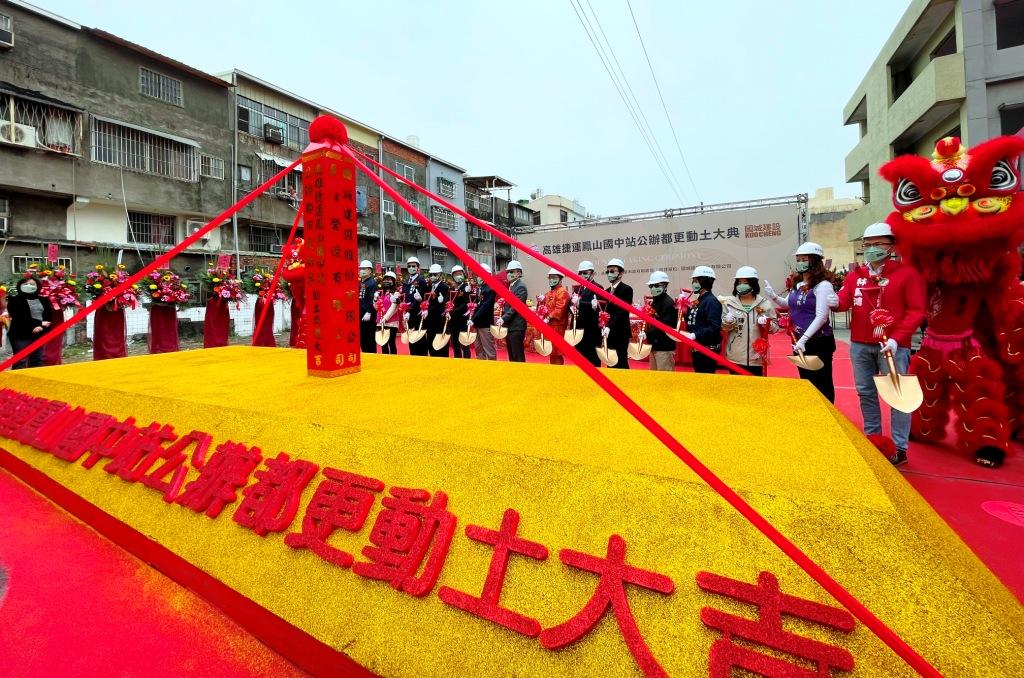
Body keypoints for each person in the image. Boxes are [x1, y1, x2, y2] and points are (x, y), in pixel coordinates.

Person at [835, 223, 926, 466]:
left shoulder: (907, 274)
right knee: (865, 392)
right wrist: (828, 298)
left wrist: (897, 338)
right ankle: (873, 439)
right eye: (868, 244)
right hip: (860, 345)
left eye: (879, 244)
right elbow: (843, 302)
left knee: (897, 396)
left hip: (893, 346)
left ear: (891, 246)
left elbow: (916, 310)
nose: (872, 249)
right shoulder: (856, 276)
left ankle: (899, 447)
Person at [765, 243, 838, 402]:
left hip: (818, 341)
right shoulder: (797, 284)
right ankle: (813, 413)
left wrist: (804, 339)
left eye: (804, 259)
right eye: (798, 259)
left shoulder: (823, 285)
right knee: (807, 381)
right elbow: (790, 304)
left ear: (815, 261)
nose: (800, 262)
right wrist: (774, 297)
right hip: (797, 339)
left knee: (822, 382)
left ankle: (827, 416)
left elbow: (821, 316)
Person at [721, 266, 778, 376]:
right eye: (739, 282)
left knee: (755, 390)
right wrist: (727, 322)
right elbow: (723, 327)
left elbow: (775, 328)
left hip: (757, 357)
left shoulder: (764, 304)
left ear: (753, 283)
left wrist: (768, 323)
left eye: (745, 282)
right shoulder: (729, 303)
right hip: (735, 356)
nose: (741, 285)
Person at [5, 277, 56, 369]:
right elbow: (18, 317)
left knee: (38, 360)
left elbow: (48, 317)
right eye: (25, 284)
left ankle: (35, 382)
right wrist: (38, 324)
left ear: (37, 286)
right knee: (20, 361)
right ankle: (17, 382)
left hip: (39, 334)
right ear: (20, 286)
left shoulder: (44, 300)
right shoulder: (14, 300)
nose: (29, 286)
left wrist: (41, 327)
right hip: (21, 334)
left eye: (32, 284)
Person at [681, 266, 724, 374]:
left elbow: (714, 327)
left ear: (705, 282)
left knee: (706, 380)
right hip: (697, 348)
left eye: (696, 281)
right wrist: (685, 310)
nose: (693, 284)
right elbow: (695, 320)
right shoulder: (699, 300)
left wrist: (695, 334)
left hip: (708, 349)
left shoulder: (711, 301)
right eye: (693, 281)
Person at [644, 271, 678, 371]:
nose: (653, 288)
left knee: (665, 380)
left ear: (665, 286)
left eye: (656, 285)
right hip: (654, 345)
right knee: (655, 378)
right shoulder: (655, 301)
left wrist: (647, 333)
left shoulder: (668, 303)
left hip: (664, 348)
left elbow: (664, 325)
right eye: (651, 286)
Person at [570, 260, 601, 367]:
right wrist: (572, 307)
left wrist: (580, 303)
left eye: (585, 273)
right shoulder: (579, 289)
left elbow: (597, 307)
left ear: (592, 273)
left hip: (591, 329)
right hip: (580, 328)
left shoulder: (598, 287)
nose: (583, 275)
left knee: (592, 358)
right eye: (581, 273)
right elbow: (574, 305)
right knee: (581, 356)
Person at [604, 258, 633, 369]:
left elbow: (622, 311)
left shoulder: (626, 289)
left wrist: (610, 327)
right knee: (610, 361)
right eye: (608, 272)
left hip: (621, 332)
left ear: (621, 273)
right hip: (609, 333)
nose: (609, 274)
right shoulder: (606, 291)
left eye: (612, 271)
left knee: (621, 361)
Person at [496, 260, 528, 362]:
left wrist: (503, 318)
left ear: (519, 273)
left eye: (512, 271)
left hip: (517, 326)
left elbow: (515, 307)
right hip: (510, 326)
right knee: (511, 355)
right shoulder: (511, 286)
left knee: (517, 354)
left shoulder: (521, 287)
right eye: (508, 272)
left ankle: (521, 375)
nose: (509, 274)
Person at [541, 267, 570, 365]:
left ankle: (559, 372)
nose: (552, 280)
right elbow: (544, 307)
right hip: (550, 325)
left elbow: (559, 309)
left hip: (558, 326)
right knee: (551, 351)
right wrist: (541, 301)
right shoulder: (548, 293)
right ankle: (554, 371)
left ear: (560, 279)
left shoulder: (562, 292)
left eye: (554, 278)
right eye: (550, 278)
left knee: (557, 351)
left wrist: (548, 317)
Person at [402, 256, 429, 356]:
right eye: (409, 266)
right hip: (408, 314)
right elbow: (405, 296)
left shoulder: (421, 281)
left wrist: (410, 311)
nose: (411, 268)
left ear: (418, 267)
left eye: (413, 266)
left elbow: (421, 299)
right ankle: (413, 356)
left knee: (419, 337)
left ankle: (422, 358)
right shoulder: (406, 281)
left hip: (417, 313)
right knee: (411, 337)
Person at [472, 263, 497, 360]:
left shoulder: (491, 289)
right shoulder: (480, 288)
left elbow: (485, 306)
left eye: (480, 274)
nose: (478, 277)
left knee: (488, 350)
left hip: (485, 323)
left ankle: (492, 370)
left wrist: (473, 318)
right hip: (477, 322)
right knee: (478, 349)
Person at [425, 264, 450, 358]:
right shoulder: (429, 287)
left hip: (440, 322)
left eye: (434, 274)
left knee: (441, 348)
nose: (432, 276)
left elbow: (446, 305)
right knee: (431, 346)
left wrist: (441, 302)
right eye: (431, 274)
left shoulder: (445, 287)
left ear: (440, 274)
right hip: (430, 322)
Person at [448, 264, 473, 359]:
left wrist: (453, 311)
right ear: (453, 277)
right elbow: (447, 301)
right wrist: (447, 310)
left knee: (465, 346)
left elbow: (466, 304)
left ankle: (466, 365)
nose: (459, 276)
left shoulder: (467, 287)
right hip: (452, 322)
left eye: (460, 274)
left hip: (462, 321)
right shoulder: (451, 288)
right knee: (455, 346)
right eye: (456, 274)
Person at [377, 271, 401, 355]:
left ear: (393, 281)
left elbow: (394, 308)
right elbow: (377, 308)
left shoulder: (396, 293)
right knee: (383, 343)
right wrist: (375, 300)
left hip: (392, 322)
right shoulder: (381, 293)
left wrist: (385, 318)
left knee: (391, 343)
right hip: (381, 322)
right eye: (385, 280)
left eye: (389, 280)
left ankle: (393, 360)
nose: (387, 282)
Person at [358, 260, 378, 354]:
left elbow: (373, 299)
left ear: (370, 270)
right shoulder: (359, 283)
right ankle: (365, 354)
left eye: (364, 269)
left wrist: (369, 311)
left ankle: (371, 355)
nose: (361, 270)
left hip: (368, 314)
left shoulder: (372, 283)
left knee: (369, 337)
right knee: (362, 338)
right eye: (360, 268)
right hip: (359, 313)